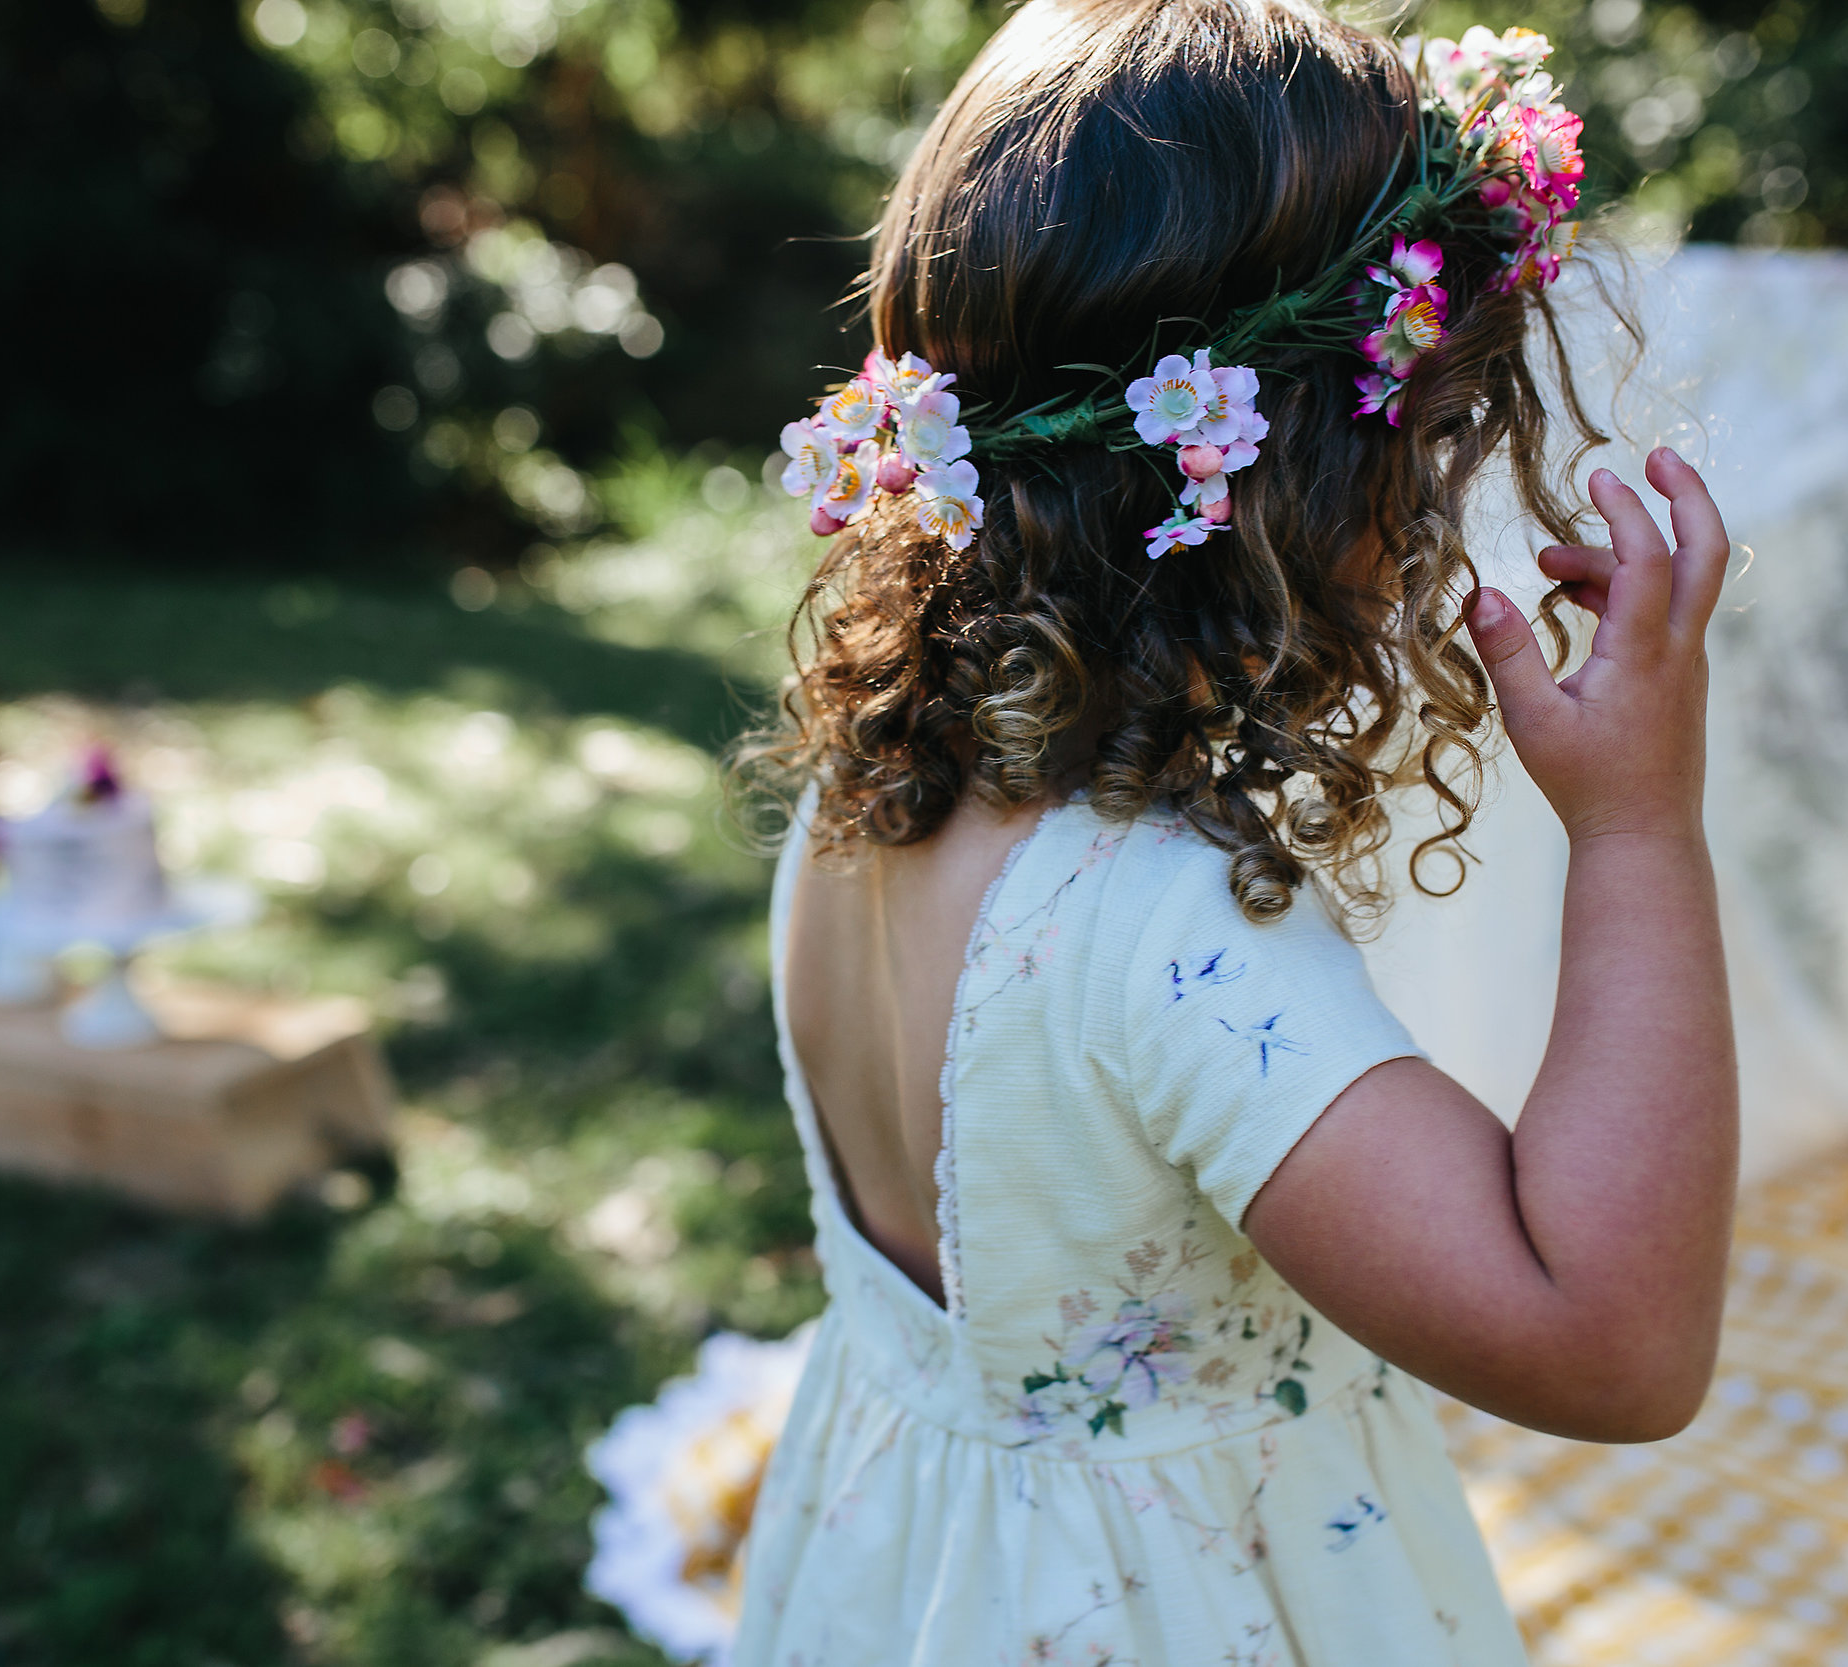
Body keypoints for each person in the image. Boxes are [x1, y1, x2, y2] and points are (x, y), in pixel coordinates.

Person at [731, 0, 1737, 1659]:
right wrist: (1639, 832)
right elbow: (1614, 1346)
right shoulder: (1159, 930)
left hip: (904, 1570)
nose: (1435, 503)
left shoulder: (869, 789)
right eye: (1436, 437)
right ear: (1299, 477)